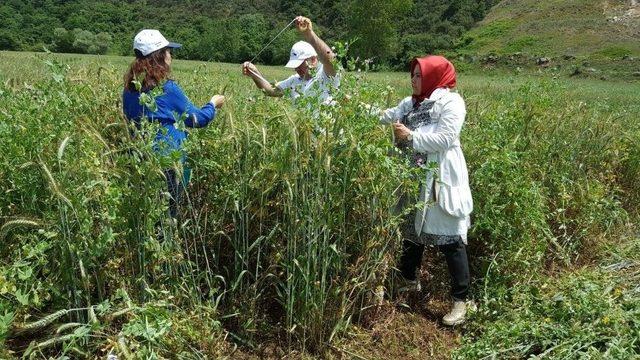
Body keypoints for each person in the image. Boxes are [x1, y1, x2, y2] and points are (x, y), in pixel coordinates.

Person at [379, 55, 474, 326]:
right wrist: (348, 103)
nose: (414, 79)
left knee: (451, 239)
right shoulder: (408, 104)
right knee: (412, 233)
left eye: (419, 75)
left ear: (434, 76)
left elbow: (446, 138)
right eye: (413, 74)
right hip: (414, 179)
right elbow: (382, 116)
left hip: (440, 178)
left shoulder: (451, 102)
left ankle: (460, 301)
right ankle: (409, 283)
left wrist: (410, 137)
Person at [122, 29, 225, 219]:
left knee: (148, 215)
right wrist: (213, 104)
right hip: (166, 165)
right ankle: (166, 246)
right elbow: (196, 119)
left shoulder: (129, 89)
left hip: (140, 162)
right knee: (167, 216)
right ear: (160, 56)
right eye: (169, 51)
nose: (171, 56)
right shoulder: (166, 88)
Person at [241, 16, 339, 107]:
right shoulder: (294, 81)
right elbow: (271, 91)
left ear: (313, 60)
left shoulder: (326, 75)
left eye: (300, 65)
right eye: (295, 66)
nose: (297, 69)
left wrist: (309, 34)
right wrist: (254, 73)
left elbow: (330, 60)